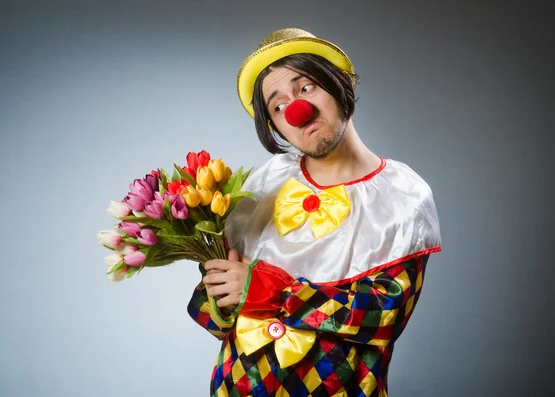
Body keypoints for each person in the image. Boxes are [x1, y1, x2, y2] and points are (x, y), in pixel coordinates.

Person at [187, 28, 442, 397]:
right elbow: (213, 310)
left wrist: (272, 292)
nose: (297, 110)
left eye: (306, 88)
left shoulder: (403, 194)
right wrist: (221, 286)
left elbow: (381, 317)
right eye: (278, 105)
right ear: (274, 125)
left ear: (339, 85)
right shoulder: (265, 183)